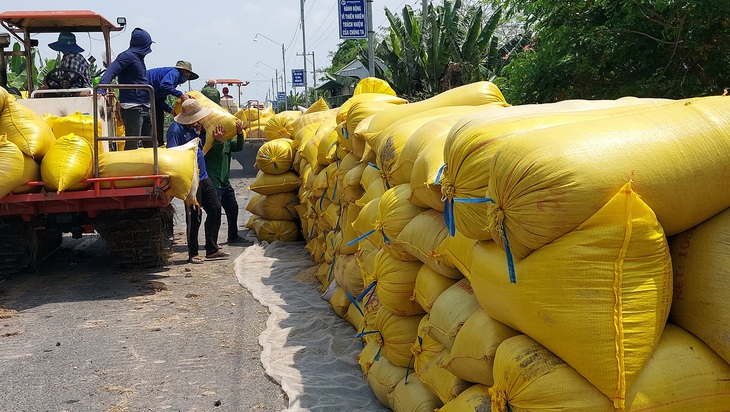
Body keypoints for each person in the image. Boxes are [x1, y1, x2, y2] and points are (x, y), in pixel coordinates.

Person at [166, 98, 230, 264]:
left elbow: (199, 146)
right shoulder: (175, 130)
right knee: (194, 216)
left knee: (215, 209)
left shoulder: (193, 128)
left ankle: (212, 249)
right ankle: (193, 253)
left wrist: (199, 133)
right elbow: (174, 154)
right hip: (191, 179)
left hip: (204, 176)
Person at [98, 27, 154, 150]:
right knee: (133, 142)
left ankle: (150, 168)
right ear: (143, 44)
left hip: (145, 105)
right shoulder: (127, 56)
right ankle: (130, 168)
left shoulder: (138, 59)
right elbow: (111, 70)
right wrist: (101, 89)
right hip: (133, 106)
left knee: (150, 143)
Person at [204, 118, 247, 244]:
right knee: (214, 212)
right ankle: (212, 244)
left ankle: (233, 236)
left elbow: (238, 148)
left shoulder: (227, 139)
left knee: (233, 208)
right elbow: (210, 153)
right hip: (214, 182)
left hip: (225, 182)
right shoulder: (209, 139)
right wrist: (217, 141)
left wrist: (240, 134)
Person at [147, 60, 199, 146]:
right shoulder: (174, 73)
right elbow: (164, 85)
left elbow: (159, 101)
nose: (186, 79)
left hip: (151, 97)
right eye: (187, 75)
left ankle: (159, 142)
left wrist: (171, 111)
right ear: (183, 71)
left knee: (159, 114)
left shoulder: (172, 82)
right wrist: (181, 95)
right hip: (141, 94)